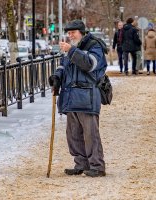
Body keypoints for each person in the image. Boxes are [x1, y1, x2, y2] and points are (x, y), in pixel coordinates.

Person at [49, 19, 107, 177]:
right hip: (70, 96)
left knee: (90, 134)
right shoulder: (71, 49)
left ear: (82, 32)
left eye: (73, 32)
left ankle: (97, 166)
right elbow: (64, 66)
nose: (70, 35)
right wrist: (57, 77)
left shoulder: (94, 46)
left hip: (87, 96)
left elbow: (90, 65)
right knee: (73, 134)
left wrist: (72, 51)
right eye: (69, 33)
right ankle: (81, 163)